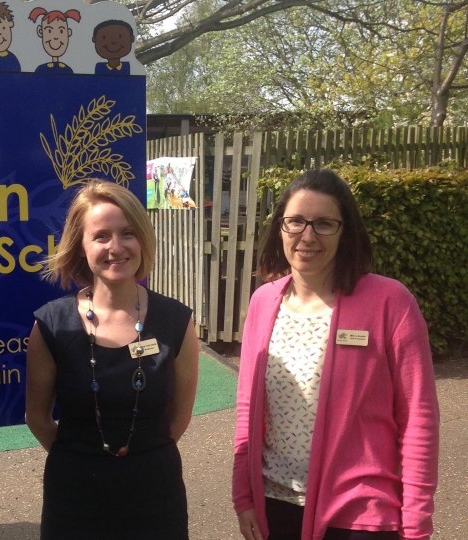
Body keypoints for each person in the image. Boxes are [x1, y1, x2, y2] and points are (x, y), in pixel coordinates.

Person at [232, 169, 439, 540]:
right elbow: (248, 406)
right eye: (295, 221)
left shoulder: (389, 303)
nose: (307, 236)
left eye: (324, 223)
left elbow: (418, 419)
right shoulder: (264, 302)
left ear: (346, 231)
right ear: (280, 227)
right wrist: (243, 496)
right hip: (275, 504)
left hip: (361, 512)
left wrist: (417, 522)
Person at [25, 179, 199, 539]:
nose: (115, 247)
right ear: (81, 246)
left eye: (127, 233)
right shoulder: (52, 325)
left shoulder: (176, 321)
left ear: (143, 240)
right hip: (74, 498)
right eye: (101, 236)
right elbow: (38, 418)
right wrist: (84, 457)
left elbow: (179, 417)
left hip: (155, 496)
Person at [30, 8, 80, 74]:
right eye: (49, 31)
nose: (56, 37)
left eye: (61, 31)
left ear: (68, 32)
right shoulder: (41, 69)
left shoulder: (67, 70)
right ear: (40, 31)